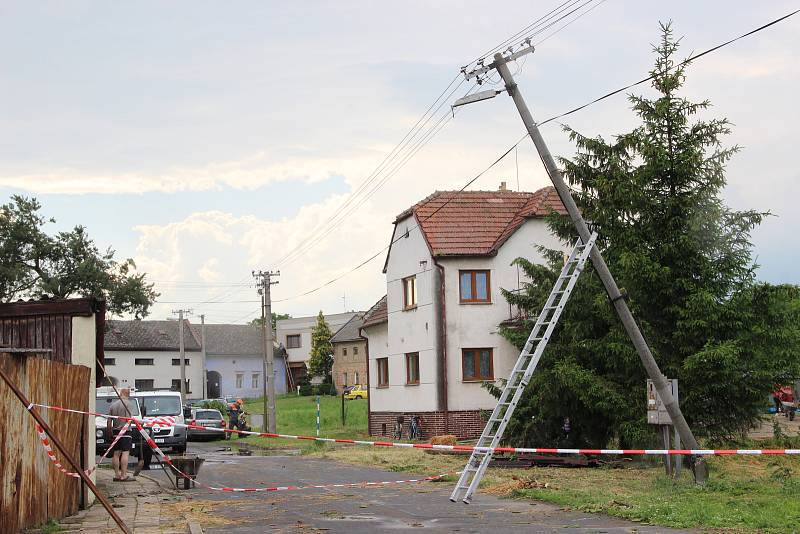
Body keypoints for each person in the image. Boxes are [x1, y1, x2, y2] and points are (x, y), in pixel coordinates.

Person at [107, 388, 134, 482]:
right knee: (125, 453)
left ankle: (116, 475)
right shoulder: (128, 404)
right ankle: (123, 475)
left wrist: (110, 432)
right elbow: (129, 419)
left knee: (116, 453)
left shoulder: (113, 405)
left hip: (115, 432)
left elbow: (109, 421)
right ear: (127, 394)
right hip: (125, 431)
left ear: (121, 393)